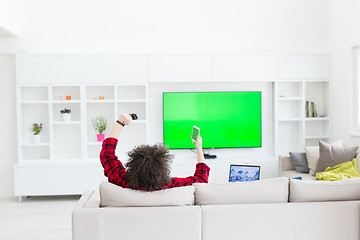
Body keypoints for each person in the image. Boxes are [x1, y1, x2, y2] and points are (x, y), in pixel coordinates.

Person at [100, 113, 210, 191]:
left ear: (133, 164)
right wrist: (199, 148)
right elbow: (201, 180)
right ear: (163, 167)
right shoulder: (171, 186)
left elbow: (107, 154)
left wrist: (121, 122)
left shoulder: (122, 181)